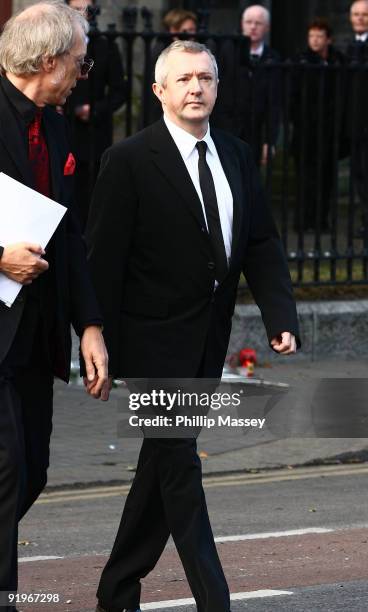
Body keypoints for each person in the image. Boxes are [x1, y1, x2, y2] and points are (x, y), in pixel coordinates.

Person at [86, 40, 300, 612]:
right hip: (149, 342)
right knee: (179, 463)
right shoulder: (129, 159)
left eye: (204, 78)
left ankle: (116, 590)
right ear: (159, 91)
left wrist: (282, 317)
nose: (195, 88)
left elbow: (261, 242)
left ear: (217, 87)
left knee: (161, 462)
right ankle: (215, 598)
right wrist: (91, 334)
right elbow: (102, 259)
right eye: (182, 80)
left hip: (208, 338)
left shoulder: (234, 153)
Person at [0, 2, 108, 609]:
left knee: (34, 468)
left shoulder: (59, 125)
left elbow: (69, 236)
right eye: (78, 60)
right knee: (8, 464)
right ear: (47, 60)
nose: (82, 71)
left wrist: (89, 324)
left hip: (37, 330)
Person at [64, 0, 126, 230]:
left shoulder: (105, 46)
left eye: (86, 9)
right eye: (76, 9)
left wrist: (96, 109)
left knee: (91, 190)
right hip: (63, 125)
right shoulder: (58, 44)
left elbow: (120, 92)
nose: (81, 14)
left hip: (94, 131)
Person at [290, 18, 345, 232]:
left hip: (330, 131)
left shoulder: (338, 61)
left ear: (328, 39)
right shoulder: (301, 61)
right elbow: (294, 98)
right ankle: (303, 221)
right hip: (306, 130)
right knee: (306, 178)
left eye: (319, 36)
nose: (314, 40)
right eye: (311, 36)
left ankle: (321, 220)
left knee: (326, 178)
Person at [213, 4, 281, 166]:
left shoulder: (273, 58)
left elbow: (274, 103)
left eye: (258, 23)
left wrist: (269, 141)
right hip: (225, 130)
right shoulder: (226, 51)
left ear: (267, 28)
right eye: (248, 22)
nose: (253, 27)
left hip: (255, 134)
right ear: (242, 24)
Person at [145, 9, 198, 126]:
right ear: (173, 30)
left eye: (192, 30)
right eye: (184, 30)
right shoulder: (161, 51)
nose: (189, 34)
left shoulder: (198, 52)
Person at [346, 0, 368, 238]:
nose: (360, 18)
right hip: (356, 124)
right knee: (360, 174)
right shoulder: (352, 46)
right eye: (356, 14)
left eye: (365, 14)